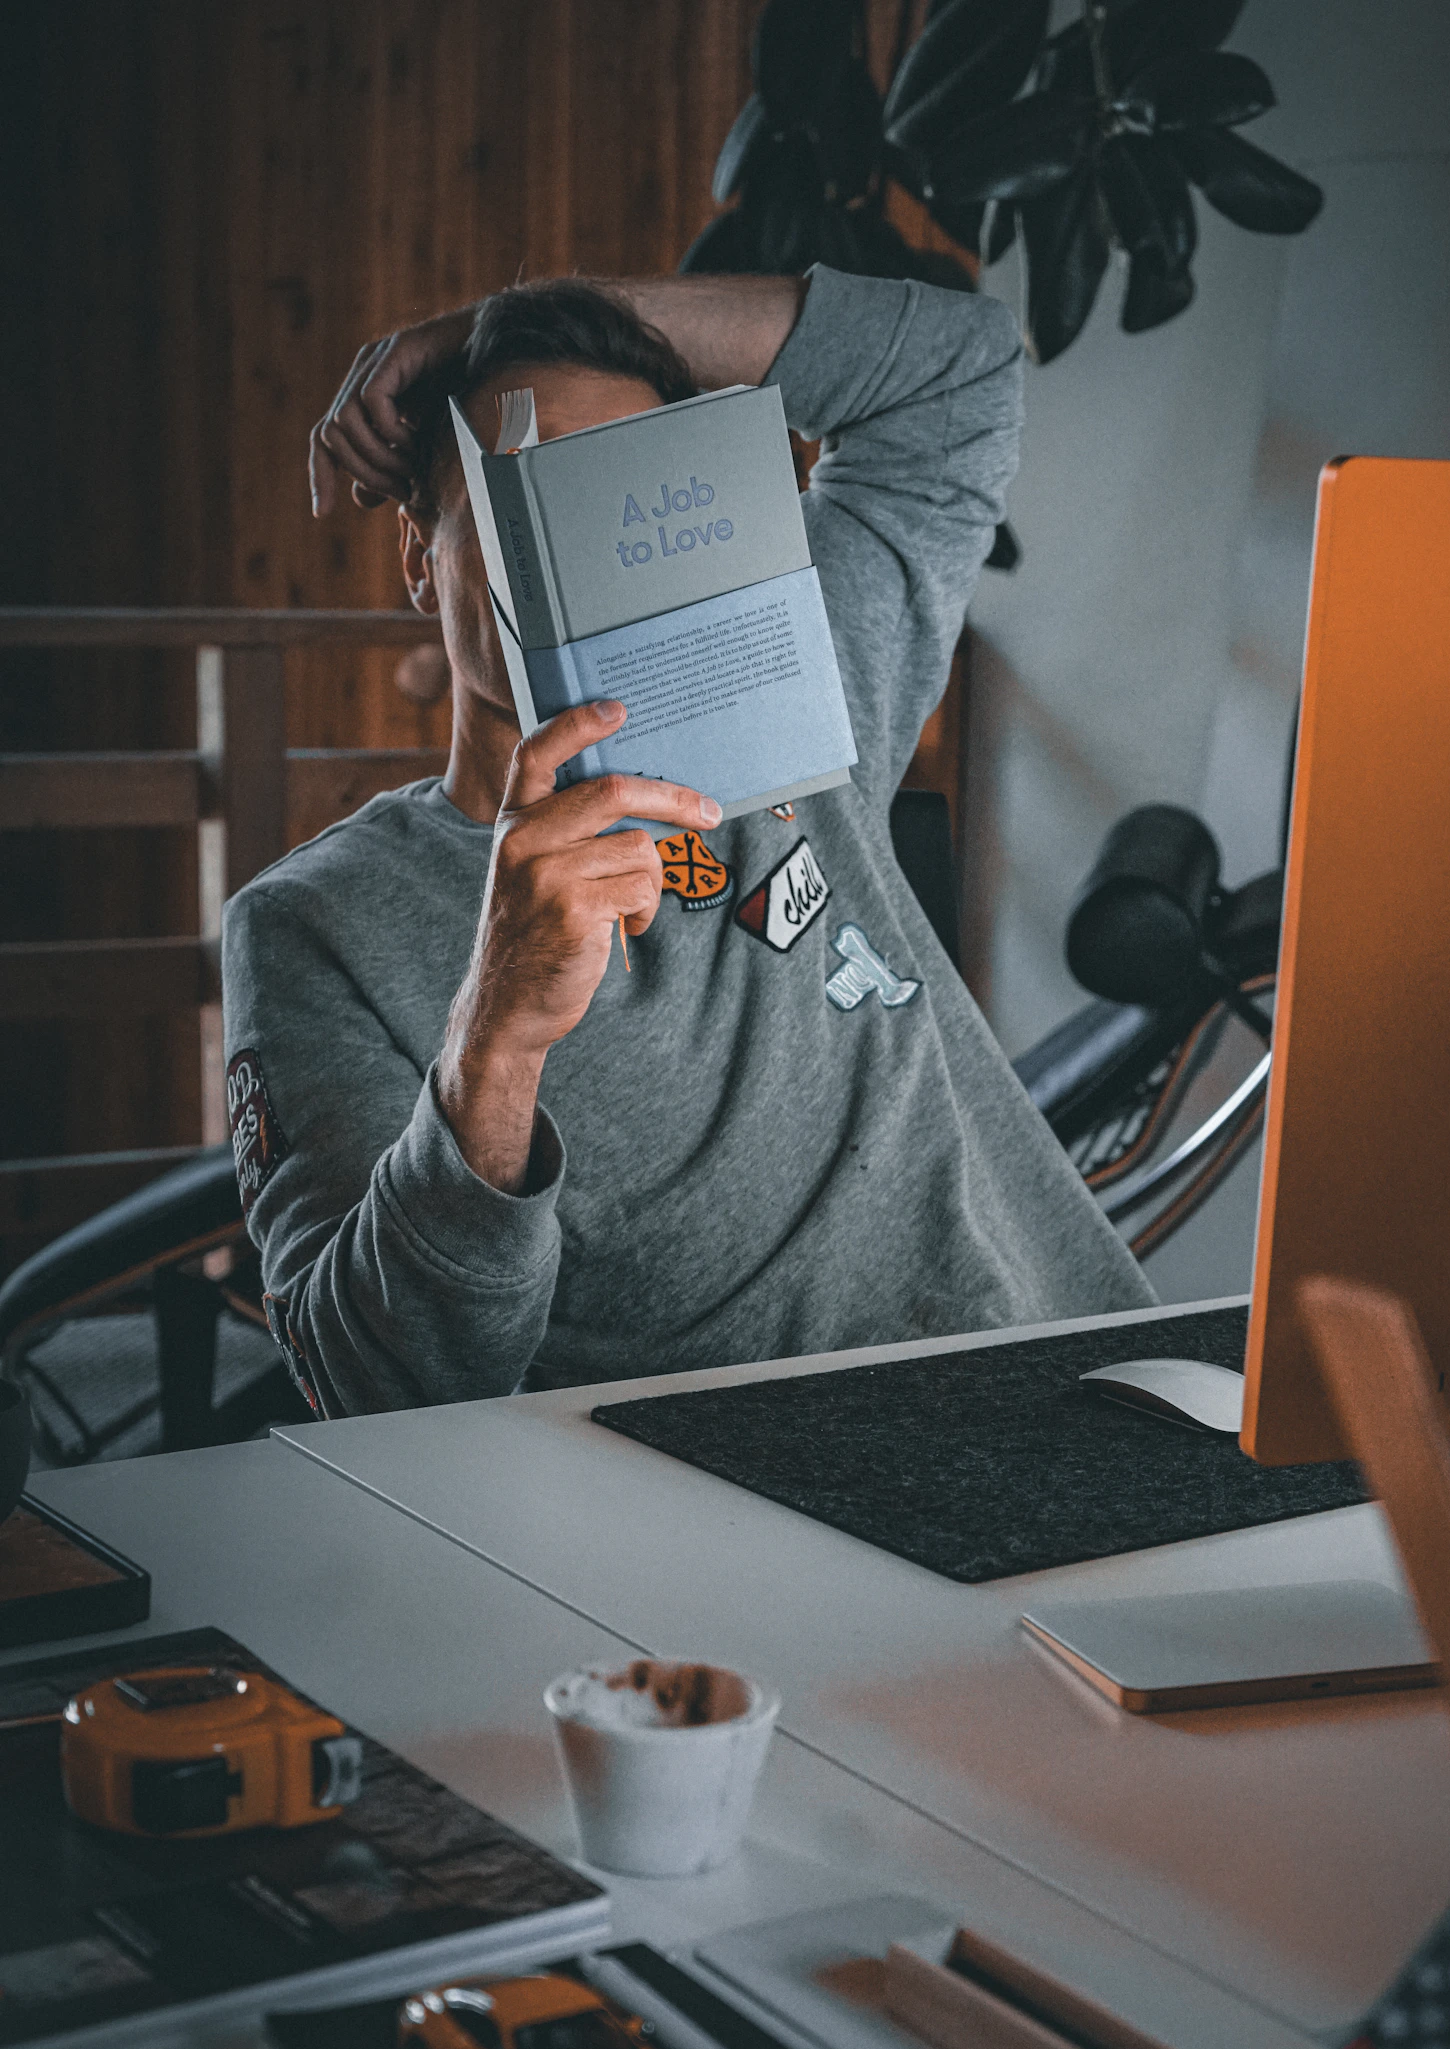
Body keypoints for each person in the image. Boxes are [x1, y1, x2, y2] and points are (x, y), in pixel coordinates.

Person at [224, 265, 1152, 1417]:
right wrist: (495, 1043)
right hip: (751, 1500)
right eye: (520, 500)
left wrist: (485, 327)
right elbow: (363, 1383)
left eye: (614, 506)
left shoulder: (800, 699)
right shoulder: (318, 925)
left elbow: (954, 370)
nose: (572, 565)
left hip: (1077, 1380)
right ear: (424, 553)